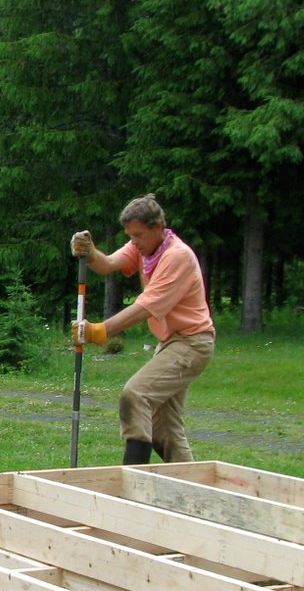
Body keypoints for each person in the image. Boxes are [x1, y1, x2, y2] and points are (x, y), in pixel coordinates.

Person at [71, 195, 215, 465]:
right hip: (172, 343)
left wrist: (99, 331)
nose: (134, 241)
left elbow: (146, 306)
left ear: (158, 227)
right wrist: (90, 253)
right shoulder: (145, 248)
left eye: (138, 235)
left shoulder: (177, 257)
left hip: (192, 343)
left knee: (136, 395)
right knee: (163, 430)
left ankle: (133, 477)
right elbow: (108, 264)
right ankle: (191, 483)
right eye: (130, 236)